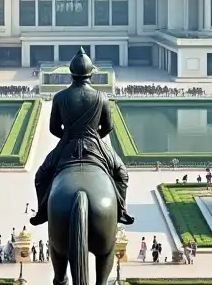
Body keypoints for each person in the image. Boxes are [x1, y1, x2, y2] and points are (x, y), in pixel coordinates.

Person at [30, 48, 134, 227]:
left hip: (67, 144)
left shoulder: (60, 97)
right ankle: (121, 211)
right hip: (95, 144)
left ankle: (42, 211)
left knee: (41, 176)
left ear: (71, 74)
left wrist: (68, 138)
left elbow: (54, 128)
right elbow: (108, 127)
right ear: (90, 74)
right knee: (121, 174)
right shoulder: (101, 97)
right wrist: (93, 138)